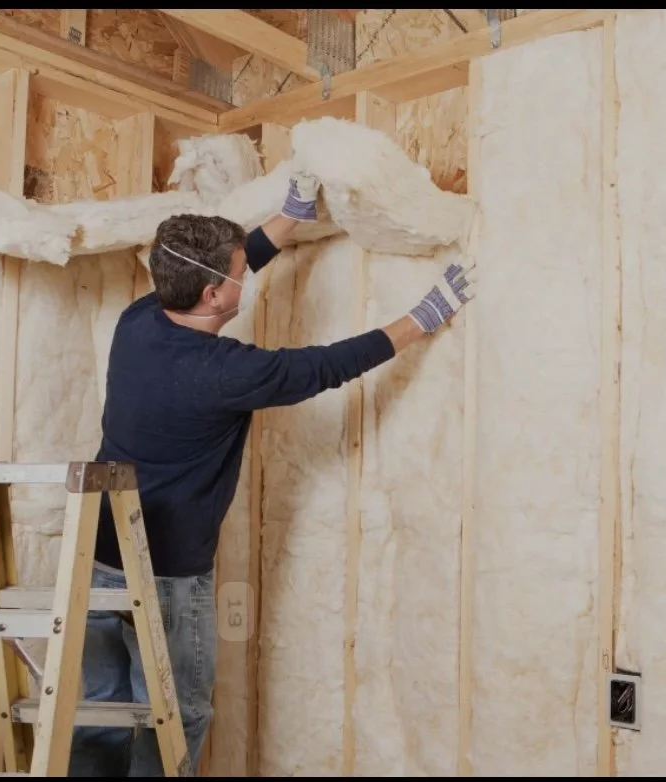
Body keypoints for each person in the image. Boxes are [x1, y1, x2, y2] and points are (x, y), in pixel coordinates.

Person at [68, 172, 475, 776]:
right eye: (236, 273)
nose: (242, 277)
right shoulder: (228, 373)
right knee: (178, 715)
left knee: (99, 708)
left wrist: (287, 218)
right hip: (169, 579)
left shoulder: (139, 321)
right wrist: (424, 316)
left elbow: (216, 269)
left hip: (97, 554)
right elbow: (328, 365)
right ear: (211, 297)